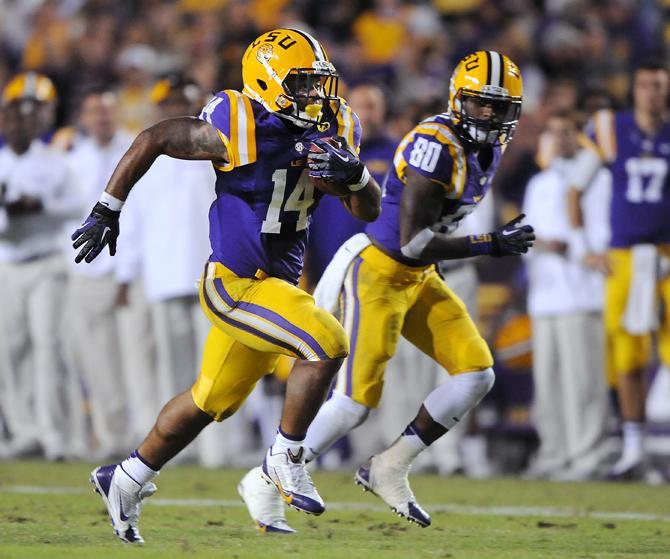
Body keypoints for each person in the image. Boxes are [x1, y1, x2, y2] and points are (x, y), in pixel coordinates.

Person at [72, 28, 381, 543]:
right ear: (268, 81)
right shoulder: (237, 121)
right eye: (302, 84)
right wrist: (109, 207)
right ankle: (285, 457)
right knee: (327, 342)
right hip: (234, 283)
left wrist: (357, 177)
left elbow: (365, 210)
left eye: (317, 83)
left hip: (276, 285)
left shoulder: (334, 124)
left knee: (208, 400)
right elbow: (154, 138)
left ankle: (124, 478)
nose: (315, 95)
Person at [240, 50, 533, 532]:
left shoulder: (489, 147)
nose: (492, 116)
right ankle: (265, 476)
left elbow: (423, 249)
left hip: (419, 276)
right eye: (482, 104)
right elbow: (412, 238)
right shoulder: (435, 144)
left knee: (477, 374)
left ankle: (390, 465)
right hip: (379, 270)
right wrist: (491, 242)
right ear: (459, 99)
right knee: (355, 402)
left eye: (501, 107)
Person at [568, 60, 670, 480]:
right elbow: (575, 188)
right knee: (626, 354)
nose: (651, 93)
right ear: (634, 89)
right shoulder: (611, 128)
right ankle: (633, 450)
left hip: (668, 254)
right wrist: (585, 248)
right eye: (645, 85)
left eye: (659, 86)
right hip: (625, 256)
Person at [523, 110, 609, 481]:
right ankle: (554, 453)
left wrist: (569, 248)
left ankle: (587, 455)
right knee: (549, 382)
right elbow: (525, 234)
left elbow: (603, 237)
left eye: (567, 131)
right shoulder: (539, 182)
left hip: (582, 292)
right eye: (553, 132)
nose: (560, 139)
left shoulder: (597, 180)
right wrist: (539, 244)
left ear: (580, 135)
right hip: (545, 295)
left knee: (583, 382)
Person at [0, 77, 80, 460]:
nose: (20, 126)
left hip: (46, 263)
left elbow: (77, 206)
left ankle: (52, 433)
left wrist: (40, 206)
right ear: (5, 122)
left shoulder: (54, 161)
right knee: (10, 351)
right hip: (7, 265)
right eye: (14, 119)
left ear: (38, 124)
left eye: (27, 120)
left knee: (49, 347)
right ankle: (23, 430)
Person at [62, 87, 135, 459]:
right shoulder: (73, 158)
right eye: (94, 112)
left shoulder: (133, 151)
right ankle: (109, 439)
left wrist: (127, 272)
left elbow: (137, 216)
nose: (101, 119)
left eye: (106, 112)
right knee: (95, 361)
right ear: (85, 118)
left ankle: (139, 435)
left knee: (132, 361)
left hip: (125, 272)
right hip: (85, 274)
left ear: (115, 114)